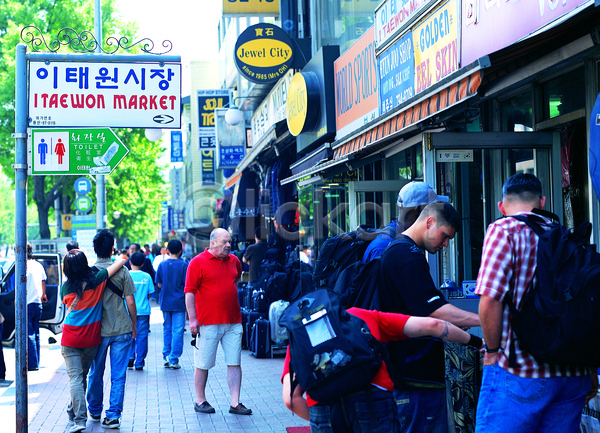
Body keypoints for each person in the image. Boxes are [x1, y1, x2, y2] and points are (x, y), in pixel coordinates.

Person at [475, 173, 595, 432]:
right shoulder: (563, 236)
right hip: (572, 374)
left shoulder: (503, 230)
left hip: (521, 372)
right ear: (541, 202)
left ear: (501, 206)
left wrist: (493, 352)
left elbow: (490, 300)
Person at [281, 307, 483, 431]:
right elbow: (434, 325)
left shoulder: (302, 336)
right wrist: (477, 341)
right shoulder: (364, 317)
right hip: (374, 403)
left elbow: (291, 399)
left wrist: (322, 422)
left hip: (324, 410)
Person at [379, 201, 481, 432]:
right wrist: (487, 320)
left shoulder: (402, 251)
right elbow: (433, 312)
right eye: (444, 236)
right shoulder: (407, 256)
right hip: (415, 376)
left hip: (409, 372)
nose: (445, 244)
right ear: (429, 222)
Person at [184, 228, 252, 415]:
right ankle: (200, 400)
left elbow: (235, 280)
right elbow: (189, 292)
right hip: (207, 322)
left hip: (233, 321)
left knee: (234, 362)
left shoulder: (234, 261)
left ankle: (235, 403)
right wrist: (192, 319)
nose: (229, 245)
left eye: (229, 241)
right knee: (203, 363)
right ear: (213, 242)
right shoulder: (197, 262)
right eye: (224, 242)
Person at [60, 249, 125, 433]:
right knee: (81, 377)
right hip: (91, 339)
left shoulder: (65, 288)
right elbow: (121, 261)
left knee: (76, 378)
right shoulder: (96, 281)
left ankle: (79, 419)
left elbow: (67, 305)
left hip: (70, 337)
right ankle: (76, 413)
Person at [87, 229, 137, 430]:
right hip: (121, 329)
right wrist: (134, 325)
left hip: (96, 331)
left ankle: (95, 409)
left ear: (94, 249)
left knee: (95, 372)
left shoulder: (90, 273)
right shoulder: (122, 270)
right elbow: (131, 301)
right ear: (112, 247)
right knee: (118, 375)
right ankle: (114, 415)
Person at [363, 181, 448, 263]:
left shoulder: (400, 240)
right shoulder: (384, 247)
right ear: (418, 210)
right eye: (433, 210)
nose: (436, 216)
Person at [156, 239, 188, 369]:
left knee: (167, 328)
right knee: (178, 330)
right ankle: (174, 359)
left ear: (168, 250)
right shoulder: (184, 265)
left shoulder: (162, 265)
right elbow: (187, 285)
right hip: (179, 302)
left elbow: (159, 284)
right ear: (181, 250)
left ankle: (166, 355)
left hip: (165, 302)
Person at [127, 252, 154, 371]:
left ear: (130, 262)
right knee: (142, 336)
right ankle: (139, 362)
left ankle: (130, 357)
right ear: (143, 264)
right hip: (143, 311)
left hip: (127, 310)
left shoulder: (125, 275)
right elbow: (149, 293)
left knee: (129, 334)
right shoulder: (147, 277)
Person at [26, 242, 47, 371]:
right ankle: (36, 361)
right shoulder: (38, 265)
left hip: (27, 303)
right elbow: (43, 281)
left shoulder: (22, 266)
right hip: (37, 303)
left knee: (29, 334)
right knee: (36, 333)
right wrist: (43, 294)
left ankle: (32, 364)